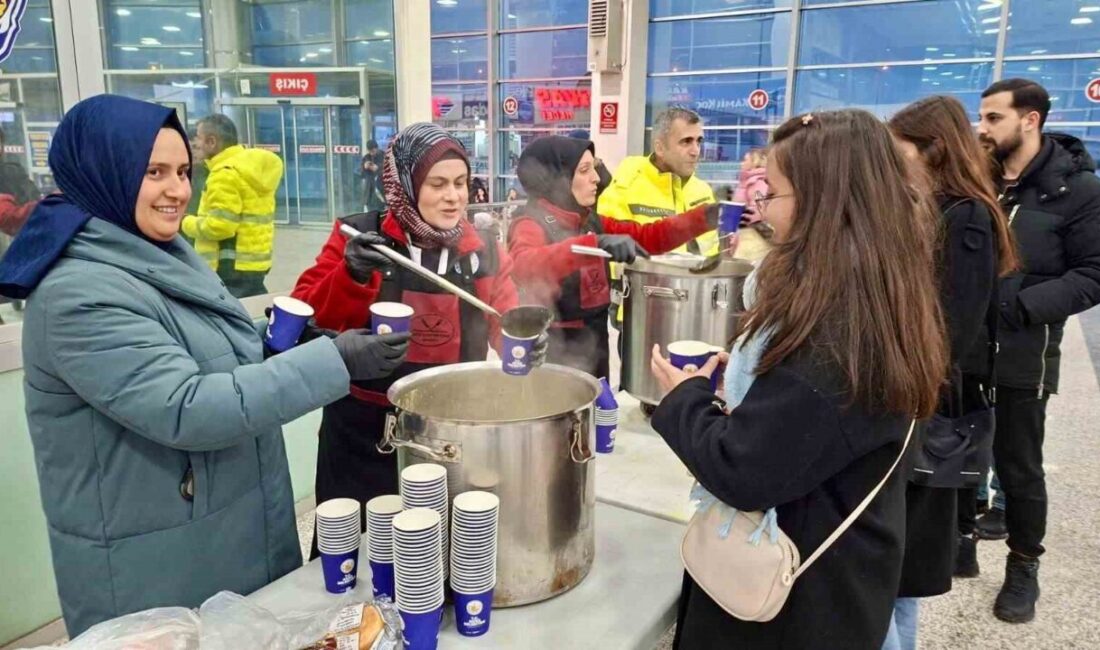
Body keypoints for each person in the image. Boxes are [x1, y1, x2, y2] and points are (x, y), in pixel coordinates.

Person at [0, 95, 404, 636]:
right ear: (103, 173)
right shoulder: (79, 294)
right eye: (154, 172)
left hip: (223, 535)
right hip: (154, 570)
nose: (178, 190)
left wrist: (294, 343)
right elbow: (189, 407)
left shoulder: (157, 254)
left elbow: (209, 352)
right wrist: (333, 361)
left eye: (185, 170)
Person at [648, 109, 948, 649]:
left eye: (775, 193)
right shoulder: (881, 288)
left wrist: (683, 398)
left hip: (800, 599)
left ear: (824, 203)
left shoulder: (839, 334)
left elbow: (744, 470)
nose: (763, 209)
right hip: (845, 567)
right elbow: (807, 426)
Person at [292, 123, 534, 557]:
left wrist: (526, 343)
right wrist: (351, 274)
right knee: (356, 555)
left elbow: (504, 321)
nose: (454, 196)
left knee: (437, 555)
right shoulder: (357, 238)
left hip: (448, 433)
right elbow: (305, 315)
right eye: (437, 184)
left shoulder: (484, 251)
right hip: (365, 433)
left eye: (461, 183)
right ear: (404, 185)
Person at [885, 94, 1020, 649]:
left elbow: (953, 330)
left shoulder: (964, 216)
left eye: (902, 153)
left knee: (903, 569)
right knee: (896, 562)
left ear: (933, 150)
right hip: (919, 403)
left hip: (930, 410)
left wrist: (897, 387)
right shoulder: (932, 206)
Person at [973, 78, 1100, 623]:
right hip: (964, 345)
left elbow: (1093, 274)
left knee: (1019, 467)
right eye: (981, 117)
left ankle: (1023, 565)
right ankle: (958, 540)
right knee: (957, 450)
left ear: (1030, 120)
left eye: (994, 118)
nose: (983, 128)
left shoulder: (1078, 190)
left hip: (1026, 349)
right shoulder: (978, 179)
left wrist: (1020, 306)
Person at [507, 135, 717, 379]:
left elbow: (648, 236)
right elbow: (523, 265)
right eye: (584, 170)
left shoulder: (588, 220)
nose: (596, 178)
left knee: (598, 409)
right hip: (554, 355)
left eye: (593, 168)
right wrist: (591, 245)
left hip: (594, 345)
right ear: (557, 180)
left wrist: (703, 218)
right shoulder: (529, 223)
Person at [597, 108, 717, 326]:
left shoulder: (703, 191)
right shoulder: (626, 186)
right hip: (642, 312)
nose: (696, 150)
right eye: (686, 141)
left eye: (699, 141)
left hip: (698, 312)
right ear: (660, 147)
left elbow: (713, 252)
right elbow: (609, 249)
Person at [182, 114, 282, 298]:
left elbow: (219, 227)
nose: (196, 143)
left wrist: (185, 222)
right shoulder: (249, 167)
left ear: (212, 142)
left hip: (229, 265)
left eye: (199, 138)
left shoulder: (224, 174)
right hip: (253, 262)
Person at [361, 139, 386, 212]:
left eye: (373, 151)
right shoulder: (366, 157)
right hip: (370, 193)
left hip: (381, 193)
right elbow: (362, 175)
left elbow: (390, 172)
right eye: (370, 151)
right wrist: (364, 167)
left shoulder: (384, 156)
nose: (372, 153)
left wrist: (378, 168)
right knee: (371, 217)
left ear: (377, 148)